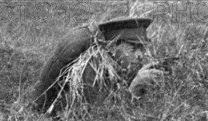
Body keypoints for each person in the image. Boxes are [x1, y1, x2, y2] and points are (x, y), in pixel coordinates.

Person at [31, 16, 164, 115]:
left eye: (142, 48)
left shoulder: (118, 64)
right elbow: (101, 118)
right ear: (111, 46)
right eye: (133, 47)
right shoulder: (93, 69)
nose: (140, 55)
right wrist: (134, 88)